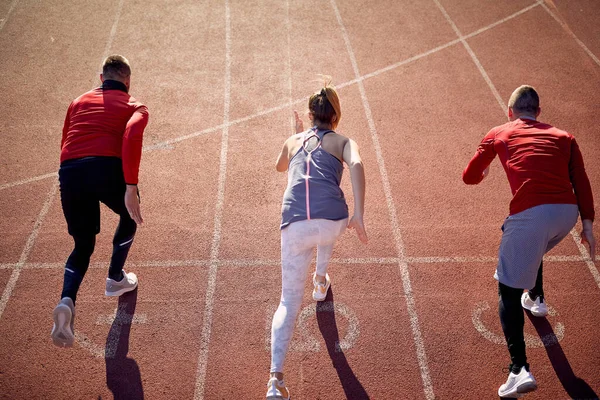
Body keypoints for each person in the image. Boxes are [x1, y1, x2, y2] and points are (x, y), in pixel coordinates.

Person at [462, 85, 596, 398]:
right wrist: (588, 224)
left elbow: (469, 176)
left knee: (507, 290)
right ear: (538, 112)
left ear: (510, 112)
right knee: (532, 244)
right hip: (567, 213)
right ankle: (536, 298)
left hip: (532, 213)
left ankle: (518, 369)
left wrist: (481, 174)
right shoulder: (565, 137)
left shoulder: (500, 131)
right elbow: (582, 179)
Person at [266, 81, 368, 399]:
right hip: (333, 220)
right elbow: (358, 164)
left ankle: (275, 381)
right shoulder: (342, 141)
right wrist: (359, 214)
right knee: (324, 226)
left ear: (310, 115)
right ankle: (320, 279)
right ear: (335, 116)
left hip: (294, 223)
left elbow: (281, 165)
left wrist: (296, 136)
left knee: (287, 302)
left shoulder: (294, 140)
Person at [51, 55, 149, 348]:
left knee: (82, 246)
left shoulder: (77, 101)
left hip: (70, 171)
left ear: (101, 77)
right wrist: (130, 186)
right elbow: (131, 135)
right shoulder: (136, 106)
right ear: (127, 80)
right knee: (130, 214)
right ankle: (115, 277)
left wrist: (71, 178)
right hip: (106, 168)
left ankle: (67, 300)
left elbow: (65, 140)